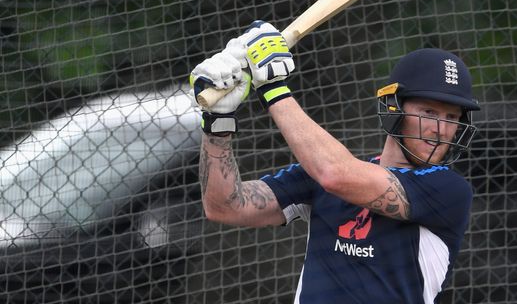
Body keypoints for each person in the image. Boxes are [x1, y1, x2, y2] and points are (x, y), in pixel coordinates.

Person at [189, 20, 480, 303]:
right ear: (394, 107)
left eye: (452, 118)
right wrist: (217, 121)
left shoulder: (448, 189)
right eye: (429, 112)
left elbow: (335, 174)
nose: (441, 129)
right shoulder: (324, 174)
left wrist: (273, 88)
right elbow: (224, 206)